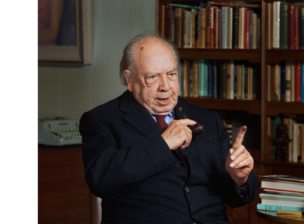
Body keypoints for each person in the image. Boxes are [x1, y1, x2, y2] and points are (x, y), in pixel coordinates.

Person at [80, 32, 259, 224]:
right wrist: (163, 143)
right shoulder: (101, 119)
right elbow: (100, 180)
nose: (165, 86)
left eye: (171, 75)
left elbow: (234, 197)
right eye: (153, 77)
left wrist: (238, 179)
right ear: (129, 79)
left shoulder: (208, 118)